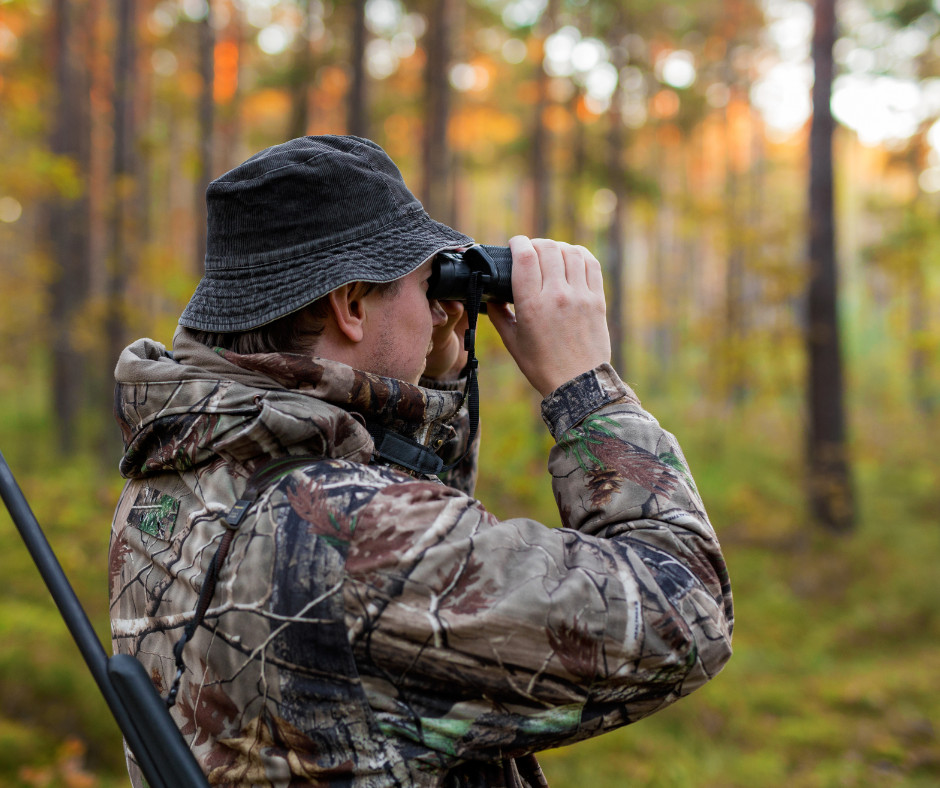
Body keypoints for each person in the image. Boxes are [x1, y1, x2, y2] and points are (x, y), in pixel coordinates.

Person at [109, 135, 733, 788]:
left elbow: (389, 537)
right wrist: (585, 389)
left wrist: (426, 377)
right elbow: (687, 614)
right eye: (422, 280)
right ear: (351, 305)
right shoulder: (356, 537)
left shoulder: (172, 475)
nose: (441, 306)